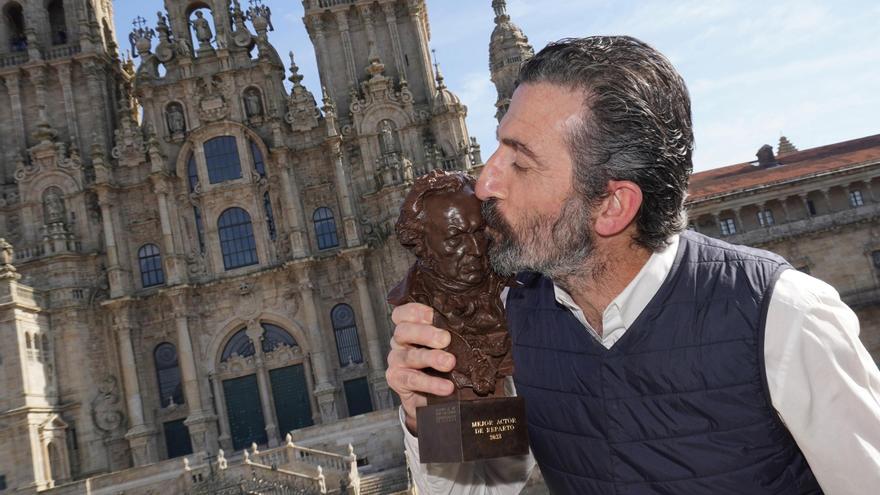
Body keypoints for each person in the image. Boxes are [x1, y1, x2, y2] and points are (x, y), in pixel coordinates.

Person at [386, 36, 880, 494]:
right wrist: (423, 416)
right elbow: (482, 486)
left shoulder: (783, 316)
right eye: (498, 146)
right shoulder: (509, 318)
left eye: (520, 162)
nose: (485, 182)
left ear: (612, 206)